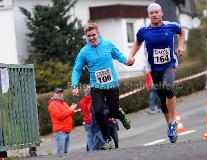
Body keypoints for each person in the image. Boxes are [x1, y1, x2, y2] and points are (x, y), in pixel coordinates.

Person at [129, 3, 185, 143]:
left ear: (161, 13)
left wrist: (181, 46)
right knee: (161, 98)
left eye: (156, 12)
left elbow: (182, 31)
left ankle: (173, 121)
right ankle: (170, 126)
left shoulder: (171, 26)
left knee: (167, 86)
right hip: (154, 69)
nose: (154, 15)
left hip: (170, 64)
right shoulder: (143, 31)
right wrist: (131, 56)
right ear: (148, 15)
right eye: (151, 13)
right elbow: (137, 43)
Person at [72, 22, 133, 150]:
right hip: (96, 86)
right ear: (86, 37)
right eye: (89, 36)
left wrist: (127, 61)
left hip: (111, 84)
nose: (92, 38)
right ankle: (108, 139)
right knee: (98, 112)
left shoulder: (108, 45)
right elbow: (77, 69)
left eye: (93, 34)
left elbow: (119, 55)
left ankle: (120, 115)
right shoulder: (84, 52)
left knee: (113, 111)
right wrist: (74, 85)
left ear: (98, 34)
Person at [48, 88, 78, 157]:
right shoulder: (52, 104)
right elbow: (60, 115)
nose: (60, 94)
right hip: (60, 131)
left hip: (66, 130)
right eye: (58, 93)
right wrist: (70, 109)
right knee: (61, 153)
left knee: (65, 152)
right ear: (54, 94)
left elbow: (69, 114)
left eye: (61, 93)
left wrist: (72, 109)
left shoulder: (64, 103)